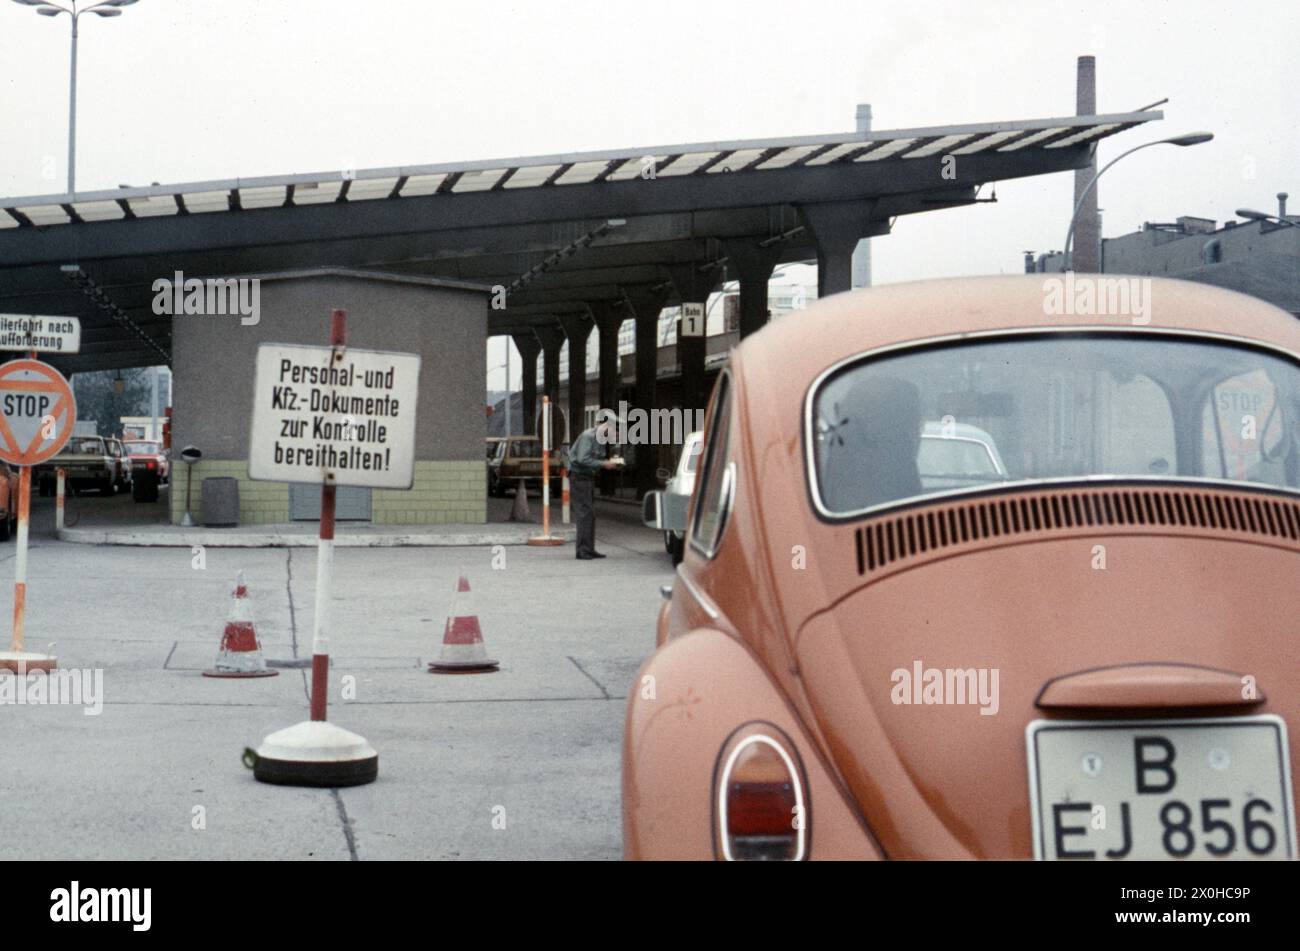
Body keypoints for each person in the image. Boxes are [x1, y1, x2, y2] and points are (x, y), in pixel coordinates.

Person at [567, 415, 623, 559]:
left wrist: (610, 462)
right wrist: (604, 464)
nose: (615, 433)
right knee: (584, 513)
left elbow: (595, 458)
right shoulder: (588, 436)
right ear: (606, 426)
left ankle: (589, 548)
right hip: (579, 477)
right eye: (614, 429)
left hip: (587, 478)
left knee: (590, 514)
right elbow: (582, 459)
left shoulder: (600, 439)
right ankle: (582, 550)